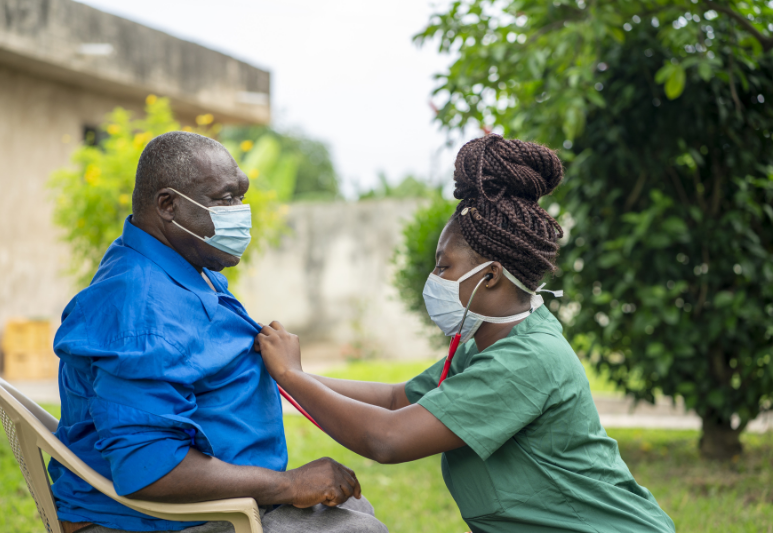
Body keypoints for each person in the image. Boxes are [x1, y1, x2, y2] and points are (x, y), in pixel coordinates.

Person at [256, 135, 676, 533]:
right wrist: (286, 376)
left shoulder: (527, 359)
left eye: (444, 266)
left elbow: (387, 438)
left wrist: (292, 377)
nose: (433, 278)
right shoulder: (487, 343)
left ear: (490, 276)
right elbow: (396, 400)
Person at [50, 131, 387, 533]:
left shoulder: (183, 268)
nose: (239, 212)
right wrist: (290, 484)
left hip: (207, 505)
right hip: (150, 520)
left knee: (355, 513)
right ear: (169, 206)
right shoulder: (142, 310)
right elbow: (150, 471)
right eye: (224, 199)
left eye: (240, 197)